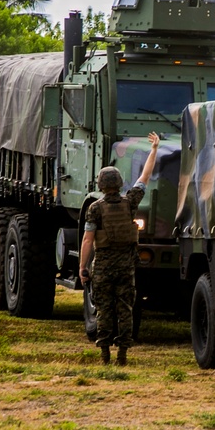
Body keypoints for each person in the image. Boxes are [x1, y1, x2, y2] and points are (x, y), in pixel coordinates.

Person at [79, 132, 161, 366]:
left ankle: (104, 355)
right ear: (119, 183)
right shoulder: (131, 202)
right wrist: (154, 149)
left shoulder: (94, 208)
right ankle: (122, 355)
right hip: (126, 267)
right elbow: (145, 176)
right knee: (125, 308)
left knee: (104, 310)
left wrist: (83, 267)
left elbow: (87, 240)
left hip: (103, 266)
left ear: (101, 185)